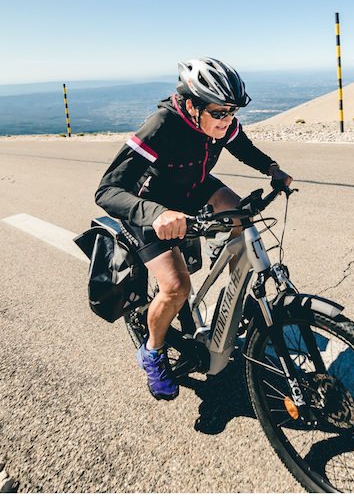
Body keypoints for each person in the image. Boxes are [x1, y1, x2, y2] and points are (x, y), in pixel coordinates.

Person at [95, 58, 292, 401]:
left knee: (242, 217)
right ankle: (152, 352)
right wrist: (156, 214)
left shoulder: (221, 121)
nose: (227, 120)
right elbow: (107, 190)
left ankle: (236, 299)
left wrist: (271, 168)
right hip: (149, 204)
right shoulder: (162, 126)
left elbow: (241, 145)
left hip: (193, 185)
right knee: (176, 287)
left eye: (232, 112)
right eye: (220, 113)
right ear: (191, 105)